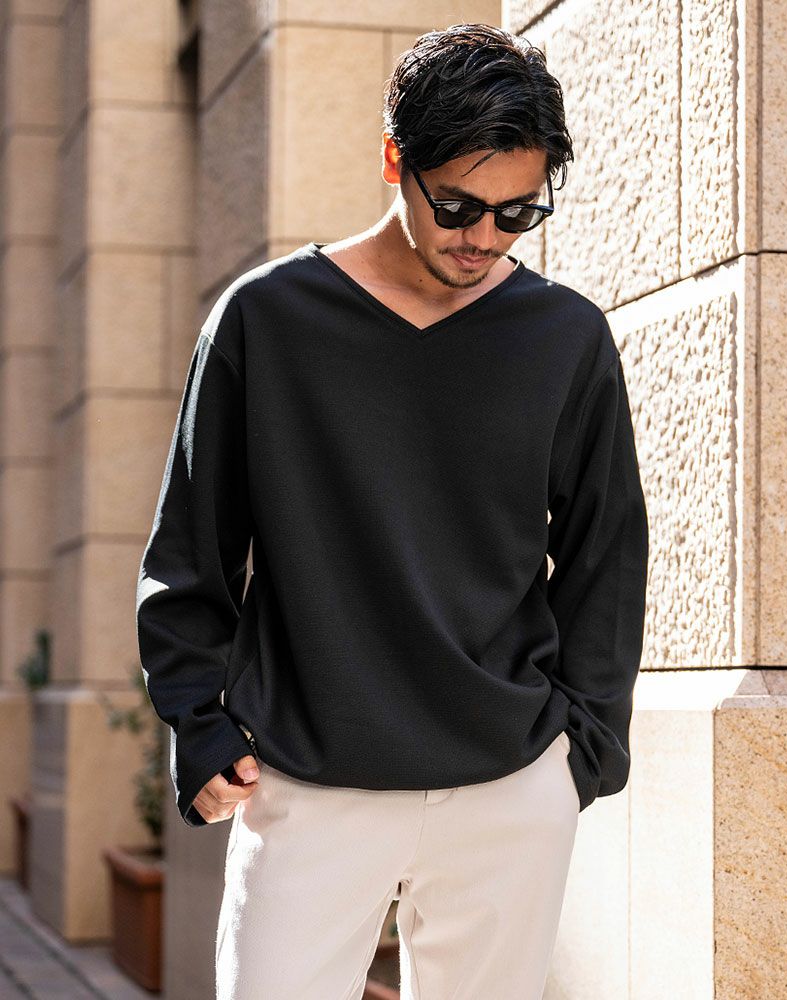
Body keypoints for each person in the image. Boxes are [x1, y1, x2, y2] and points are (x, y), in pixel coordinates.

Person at [135, 22, 648, 1000]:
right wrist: (199, 722)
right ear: (392, 161)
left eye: (516, 213)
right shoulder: (266, 321)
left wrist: (580, 755)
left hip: (508, 785)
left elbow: (605, 554)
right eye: (456, 204)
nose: (482, 237)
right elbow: (192, 548)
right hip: (307, 778)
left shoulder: (566, 339)